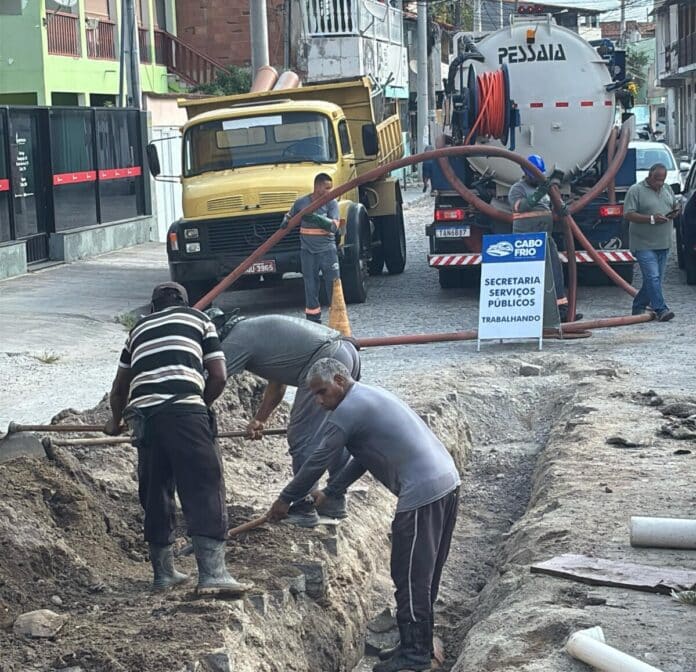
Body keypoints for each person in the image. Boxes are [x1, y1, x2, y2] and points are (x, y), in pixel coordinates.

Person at [266, 359, 461, 672]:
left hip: (423, 494)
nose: (318, 401)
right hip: (446, 484)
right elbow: (364, 456)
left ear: (340, 380)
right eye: (314, 395)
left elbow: (317, 460)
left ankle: (415, 655)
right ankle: (417, 643)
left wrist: (285, 500)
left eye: (322, 392)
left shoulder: (347, 411)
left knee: (409, 576)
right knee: (423, 574)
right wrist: (333, 489)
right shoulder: (368, 397)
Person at [105, 282, 251, 596]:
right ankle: (212, 575)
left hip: (145, 420)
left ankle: (163, 573)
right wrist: (199, 405)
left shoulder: (137, 330)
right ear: (185, 302)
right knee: (203, 485)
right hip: (185, 412)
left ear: (153, 307)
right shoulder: (199, 320)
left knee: (156, 491)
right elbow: (219, 375)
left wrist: (115, 422)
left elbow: (118, 390)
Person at [220, 313, 361, 527]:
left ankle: (303, 507)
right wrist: (260, 419)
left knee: (302, 436)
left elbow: (216, 378)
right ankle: (333, 500)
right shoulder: (259, 332)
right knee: (336, 430)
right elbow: (278, 385)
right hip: (345, 353)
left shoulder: (234, 340)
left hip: (325, 359)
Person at [508, 154, 582, 323]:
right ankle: (527, 313)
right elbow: (522, 207)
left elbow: (549, 208)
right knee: (528, 277)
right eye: (534, 174)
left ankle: (562, 310)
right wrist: (542, 190)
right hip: (525, 240)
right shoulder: (517, 189)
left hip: (545, 237)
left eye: (539, 174)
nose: (537, 178)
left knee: (555, 273)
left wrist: (561, 210)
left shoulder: (545, 190)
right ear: (526, 173)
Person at [623, 162, 679, 321]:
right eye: (657, 179)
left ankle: (639, 306)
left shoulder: (667, 189)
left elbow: (674, 204)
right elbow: (628, 214)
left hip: (664, 242)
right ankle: (661, 309)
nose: (660, 183)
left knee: (654, 280)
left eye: (662, 179)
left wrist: (675, 212)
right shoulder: (636, 191)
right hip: (643, 243)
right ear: (649, 176)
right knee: (653, 277)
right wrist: (652, 219)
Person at [286, 173, 341, 324]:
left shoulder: (332, 203)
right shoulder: (301, 203)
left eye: (331, 188)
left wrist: (316, 218)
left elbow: (334, 227)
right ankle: (313, 319)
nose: (330, 191)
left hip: (327, 250)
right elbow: (290, 216)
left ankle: (337, 317)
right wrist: (286, 220)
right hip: (308, 251)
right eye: (327, 188)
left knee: (333, 283)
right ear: (317, 187)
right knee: (310, 284)